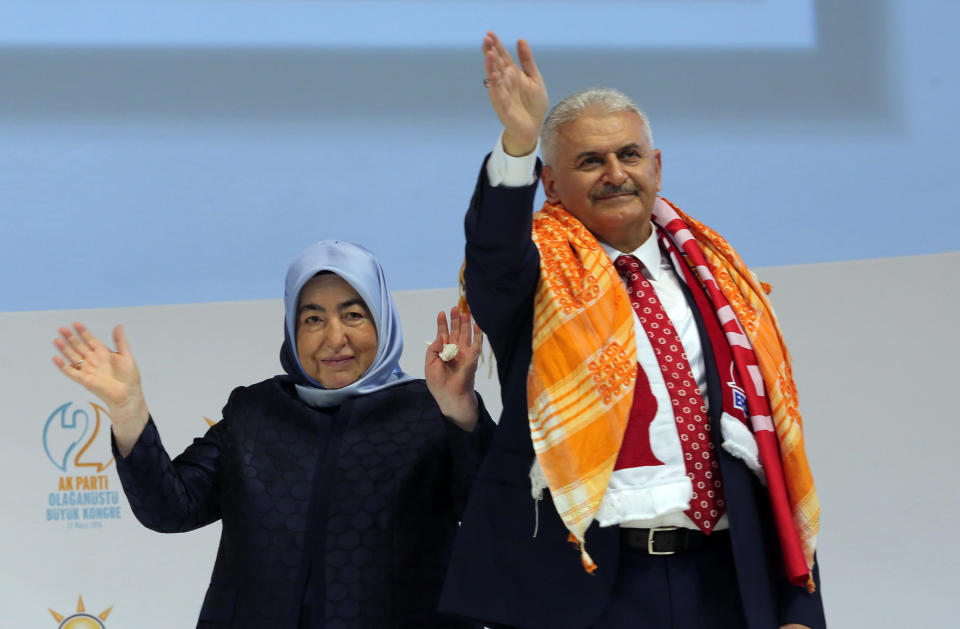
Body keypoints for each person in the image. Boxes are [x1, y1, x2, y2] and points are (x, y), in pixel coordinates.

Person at [438, 32, 825, 629]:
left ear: (657, 165)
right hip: (586, 586)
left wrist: (799, 604)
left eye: (629, 155)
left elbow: (766, 445)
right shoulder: (531, 275)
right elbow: (492, 258)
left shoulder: (716, 278)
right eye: (590, 161)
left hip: (723, 582)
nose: (615, 174)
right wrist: (517, 143)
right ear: (550, 183)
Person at [52, 239, 493, 629]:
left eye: (353, 315)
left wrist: (460, 411)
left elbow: (492, 519)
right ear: (292, 329)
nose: (334, 338)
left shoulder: (431, 408)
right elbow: (170, 508)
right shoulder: (255, 413)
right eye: (312, 319)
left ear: (383, 320)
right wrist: (129, 409)